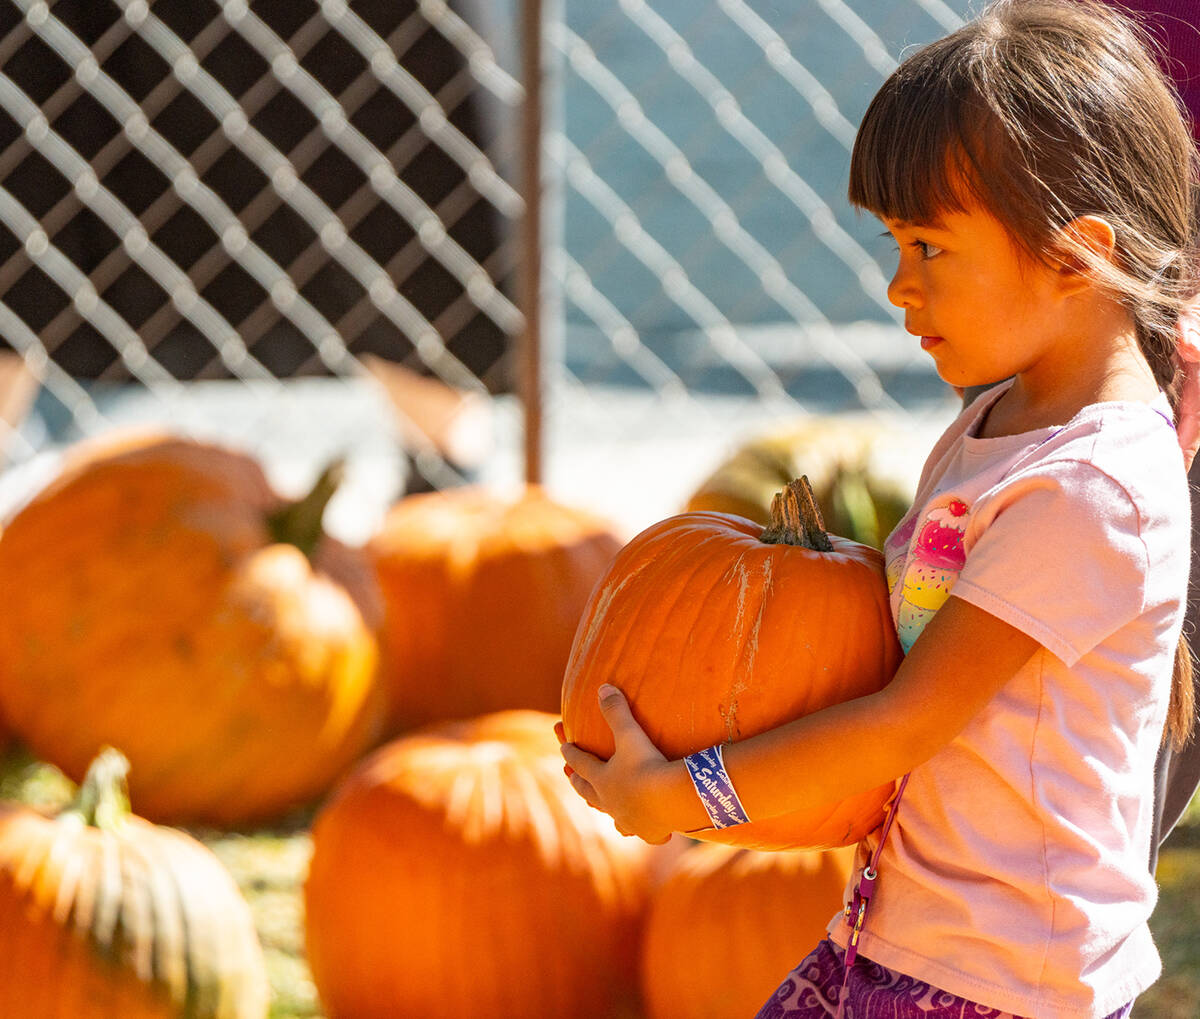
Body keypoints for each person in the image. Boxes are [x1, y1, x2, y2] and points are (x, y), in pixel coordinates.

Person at [557, 1, 1198, 1016]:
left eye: (930, 247)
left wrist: (685, 792)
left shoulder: (1090, 491)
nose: (899, 288)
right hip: (909, 933)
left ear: (1076, 256)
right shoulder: (999, 419)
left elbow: (904, 719)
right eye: (896, 243)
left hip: (1001, 979)